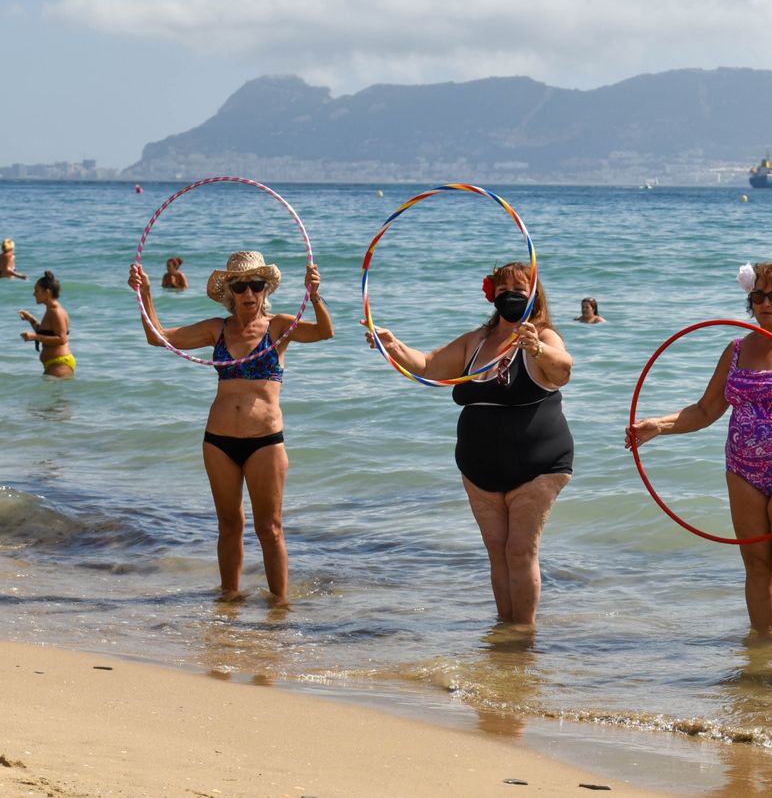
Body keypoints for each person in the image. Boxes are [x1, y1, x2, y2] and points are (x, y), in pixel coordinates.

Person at [628, 262, 772, 637]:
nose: (765, 303)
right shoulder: (736, 349)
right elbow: (705, 410)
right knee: (757, 564)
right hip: (743, 470)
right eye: (758, 296)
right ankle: (759, 655)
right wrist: (657, 426)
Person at [365, 262, 573, 628]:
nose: (509, 292)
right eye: (502, 285)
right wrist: (394, 345)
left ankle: (523, 638)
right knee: (497, 552)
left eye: (519, 286)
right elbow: (428, 365)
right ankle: (505, 631)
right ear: (492, 293)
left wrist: (537, 349)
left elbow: (564, 370)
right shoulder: (476, 340)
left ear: (534, 293)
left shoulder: (542, 336)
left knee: (520, 550)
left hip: (538, 464)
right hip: (478, 467)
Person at [129, 250, 333, 604]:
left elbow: (325, 332)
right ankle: (229, 603)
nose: (248, 293)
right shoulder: (217, 329)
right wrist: (144, 293)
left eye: (256, 285)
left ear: (265, 289)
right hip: (219, 441)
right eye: (240, 286)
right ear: (230, 292)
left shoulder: (280, 326)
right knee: (229, 526)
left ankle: (279, 608)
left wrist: (314, 295)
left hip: (265, 442)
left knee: (270, 530)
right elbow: (159, 337)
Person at [19, 271, 73, 377]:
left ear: (47, 292)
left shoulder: (56, 312)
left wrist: (34, 336)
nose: (34, 294)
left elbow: (62, 339)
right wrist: (31, 319)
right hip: (54, 364)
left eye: (36, 291)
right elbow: (46, 334)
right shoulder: (50, 310)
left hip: (60, 364)